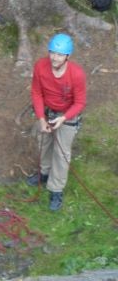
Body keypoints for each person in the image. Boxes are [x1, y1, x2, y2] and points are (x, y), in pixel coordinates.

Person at [26, 33, 86, 211]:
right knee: (43, 143)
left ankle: (56, 188)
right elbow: (36, 93)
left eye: (60, 55)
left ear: (67, 56)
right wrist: (41, 118)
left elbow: (80, 102)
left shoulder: (76, 74)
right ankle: (44, 173)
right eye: (52, 52)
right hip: (48, 111)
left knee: (62, 153)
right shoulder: (40, 67)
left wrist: (64, 118)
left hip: (67, 115)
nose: (54, 58)